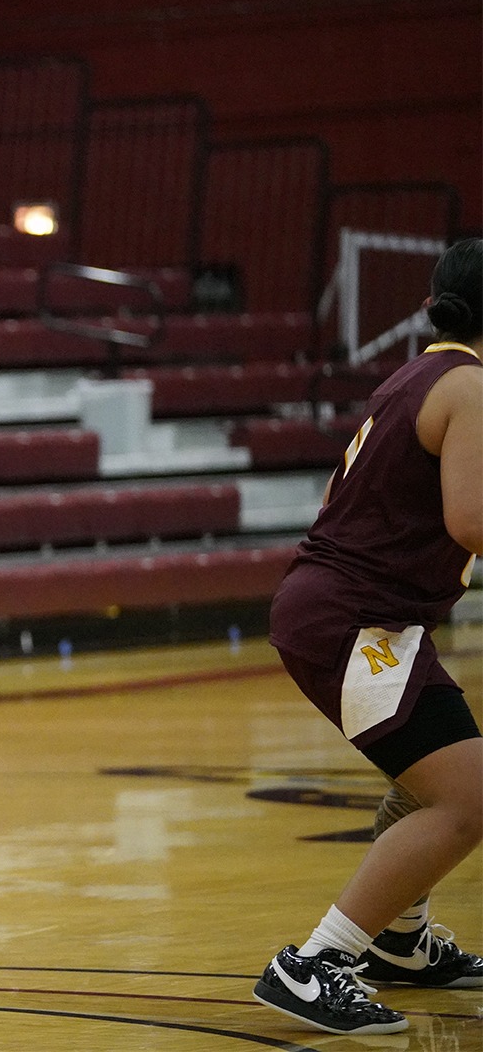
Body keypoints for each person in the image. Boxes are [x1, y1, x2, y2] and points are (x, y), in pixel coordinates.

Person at [252, 237, 483, 1036]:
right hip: (354, 618)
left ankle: (401, 944)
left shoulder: (417, 376)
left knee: (439, 771)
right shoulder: (469, 386)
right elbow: (472, 521)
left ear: (432, 307)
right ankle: (313, 963)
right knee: (470, 795)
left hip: (360, 614)